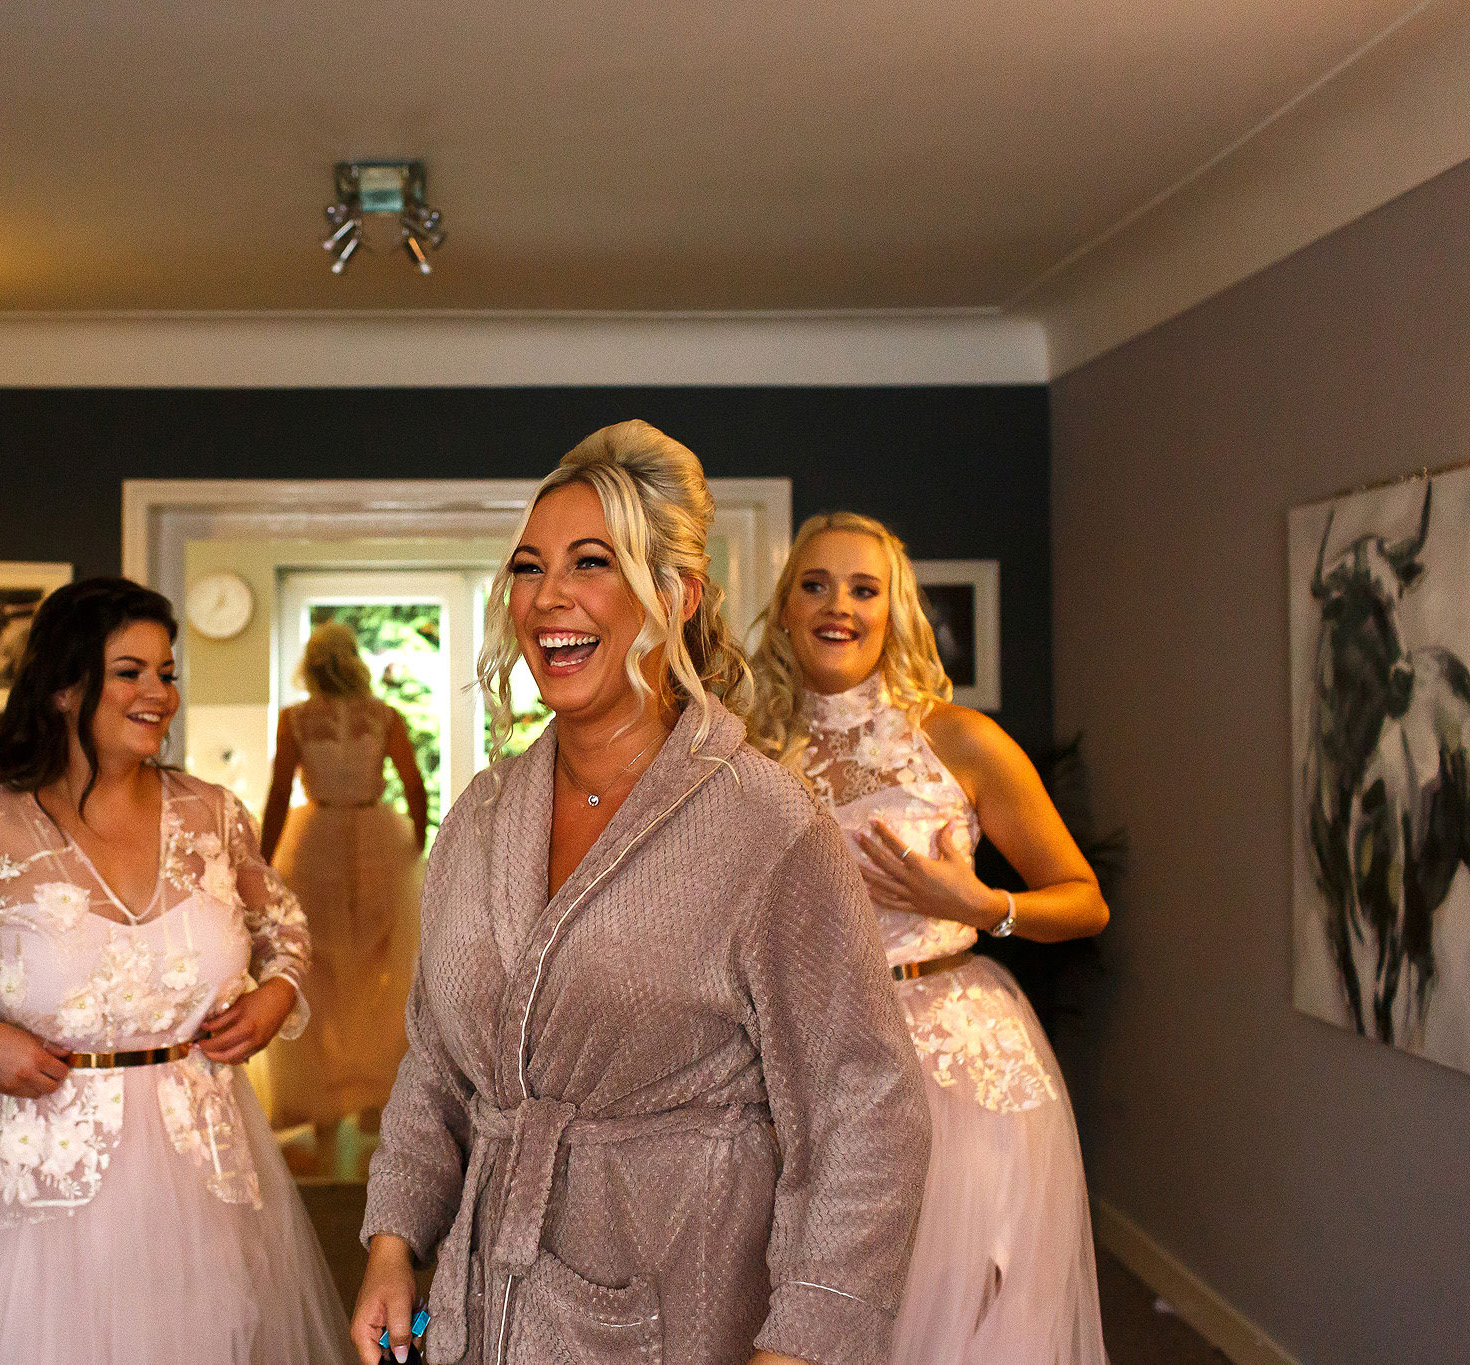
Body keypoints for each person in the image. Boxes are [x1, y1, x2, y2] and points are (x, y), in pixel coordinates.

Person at [351, 422, 931, 1365]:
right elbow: (436, 1061)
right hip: (477, 1304)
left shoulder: (767, 827)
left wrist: (801, 1346)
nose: (548, 598)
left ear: (676, 594)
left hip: (677, 1297)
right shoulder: (482, 813)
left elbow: (866, 1110)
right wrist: (392, 1244)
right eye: (528, 567)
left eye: (593, 561)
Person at [0, 577, 350, 1364]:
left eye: (167, 672)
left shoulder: (213, 813)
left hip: (200, 1169)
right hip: (43, 1177)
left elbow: (284, 924)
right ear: (68, 686)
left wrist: (278, 992)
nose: (159, 693)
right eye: (131, 671)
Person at [748, 512, 1111, 1364]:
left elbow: (1085, 900)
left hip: (956, 1060)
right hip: (811, 1056)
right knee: (819, 1308)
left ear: (892, 610)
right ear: (787, 609)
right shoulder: (754, 751)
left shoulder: (958, 738)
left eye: (863, 588)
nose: (839, 605)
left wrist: (983, 902)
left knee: (955, 1307)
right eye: (816, 584)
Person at [260, 621, 427, 1176]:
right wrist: (414, 845)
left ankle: (326, 1122)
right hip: (379, 842)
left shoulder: (296, 721)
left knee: (320, 976)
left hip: (315, 847)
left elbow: (281, 792)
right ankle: (378, 1108)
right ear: (354, 660)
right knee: (383, 975)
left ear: (310, 664)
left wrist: (261, 861)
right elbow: (414, 784)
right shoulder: (384, 716)